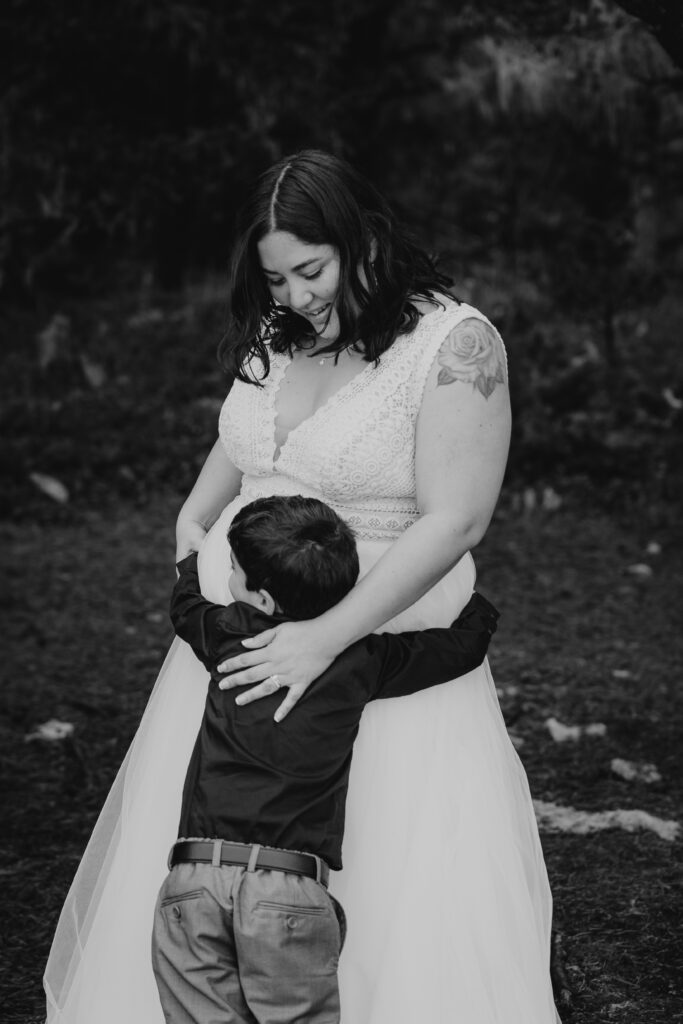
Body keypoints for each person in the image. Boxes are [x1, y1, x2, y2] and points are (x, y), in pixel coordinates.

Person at [44, 149, 560, 1023]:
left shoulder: (453, 343)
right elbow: (251, 438)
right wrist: (192, 516)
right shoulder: (280, 330)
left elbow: (455, 520)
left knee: (385, 875)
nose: (294, 296)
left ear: (362, 238)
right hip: (240, 637)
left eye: (310, 270)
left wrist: (326, 640)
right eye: (275, 278)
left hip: (372, 635)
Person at [155, 493, 499, 1024]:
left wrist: (186, 562)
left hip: (194, 878)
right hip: (288, 889)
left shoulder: (227, 636)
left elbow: (185, 608)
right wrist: (473, 602)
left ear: (263, 600)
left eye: (235, 571)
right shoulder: (361, 659)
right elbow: (460, 649)